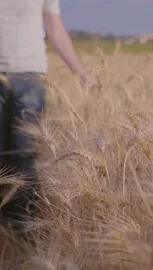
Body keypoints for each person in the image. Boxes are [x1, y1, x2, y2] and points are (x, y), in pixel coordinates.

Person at [0, 0, 95, 236]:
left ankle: (22, 232)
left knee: (24, 155)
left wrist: (80, 72)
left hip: (31, 77)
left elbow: (55, 27)